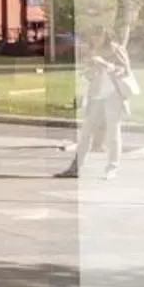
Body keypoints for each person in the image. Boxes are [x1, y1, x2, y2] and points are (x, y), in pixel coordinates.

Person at [59, 33, 137, 179]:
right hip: (96, 96)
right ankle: (75, 168)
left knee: (113, 133)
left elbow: (124, 71)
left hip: (114, 95)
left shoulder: (116, 50)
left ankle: (112, 168)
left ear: (105, 36)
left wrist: (105, 64)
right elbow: (90, 74)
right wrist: (89, 71)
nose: (95, 39)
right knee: (86, 133)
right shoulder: (92, 51)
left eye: (98, 35)